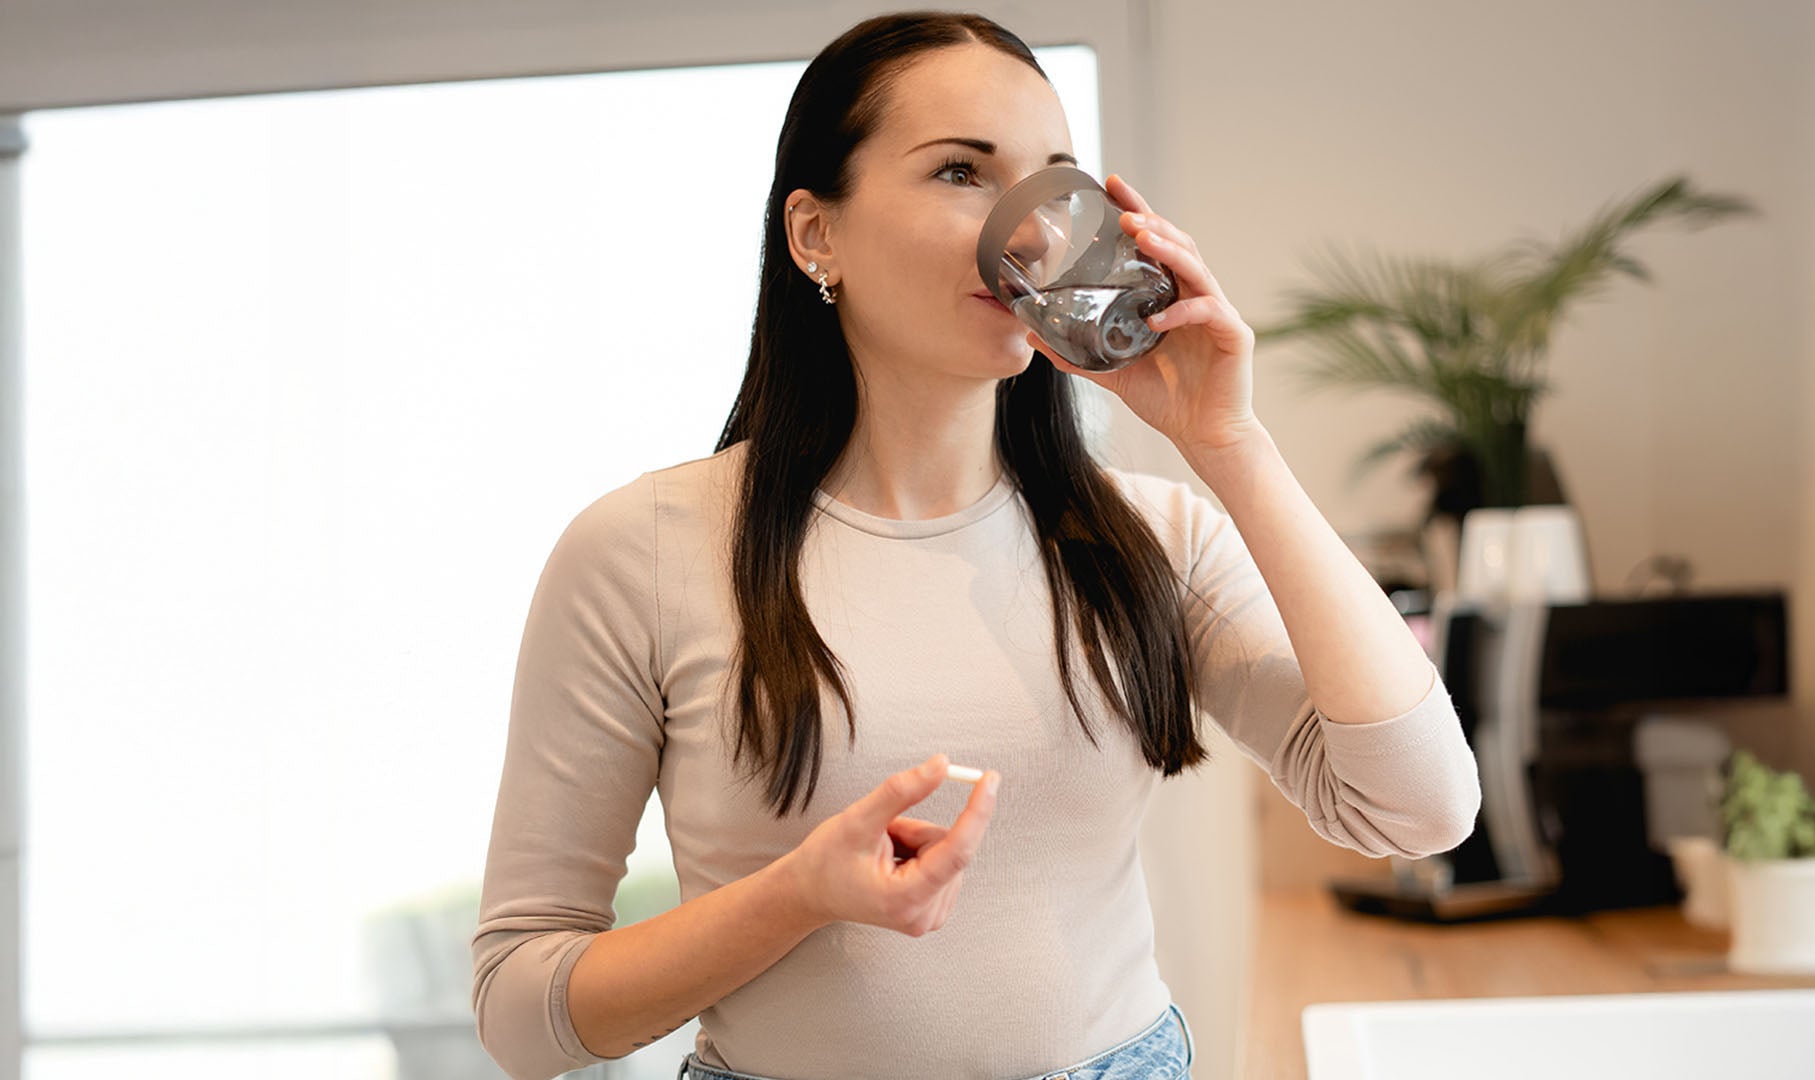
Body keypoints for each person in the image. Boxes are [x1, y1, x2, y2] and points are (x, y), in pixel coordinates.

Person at [469, 11, 1481, 1080]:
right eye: (960, 171)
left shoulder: (1154, 538)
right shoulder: (646, 553)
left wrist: (1228, 443)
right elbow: (519, 1012)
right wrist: (797, 895)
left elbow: (1418, 808)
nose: (1032, 232)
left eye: (1056, 184)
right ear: (816, 234)